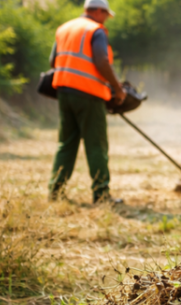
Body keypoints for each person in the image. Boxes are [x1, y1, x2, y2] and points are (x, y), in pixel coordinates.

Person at [49, 0, 126, 204]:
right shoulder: (95, 30)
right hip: (88, 94)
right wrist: (117, 88)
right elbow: (101, 60)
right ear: (99, 11)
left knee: (66, 144)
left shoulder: (64, 28)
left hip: (64, 92)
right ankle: (101, 195)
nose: (106, 19)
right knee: (96, 145)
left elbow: (52, 61)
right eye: (106, 15)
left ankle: (55, 191)